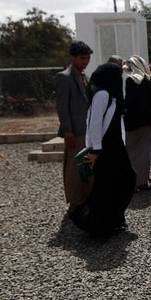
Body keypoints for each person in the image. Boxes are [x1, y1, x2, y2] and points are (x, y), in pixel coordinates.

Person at [70, 63, 136, 236]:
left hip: (115, 146)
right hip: (105, 148)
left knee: (122, 181)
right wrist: (95, 151)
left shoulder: (109, 94)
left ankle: (112, 219)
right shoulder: (102, 94)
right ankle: (100, 224)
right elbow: (94, 123)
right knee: (108, 185)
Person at [55, 41, 93, 211]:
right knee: (73, 167)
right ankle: (74, 201)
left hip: (87, 130)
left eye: (87, 58)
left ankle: (85, 197)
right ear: (72, 57)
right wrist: (68, 131)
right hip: (75, 131)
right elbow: (62, 107)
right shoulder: (64, 77)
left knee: (86, 165)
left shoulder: (84, 75)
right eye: (82, 58)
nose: (85, 61)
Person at [123, 55, 151, 192]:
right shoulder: (150, 81)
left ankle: (130, 181)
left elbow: (129, 103)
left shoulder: (130, 81)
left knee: (130, 152)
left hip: (132, 123)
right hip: (147, 123)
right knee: (144, 153)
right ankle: (142, 181)